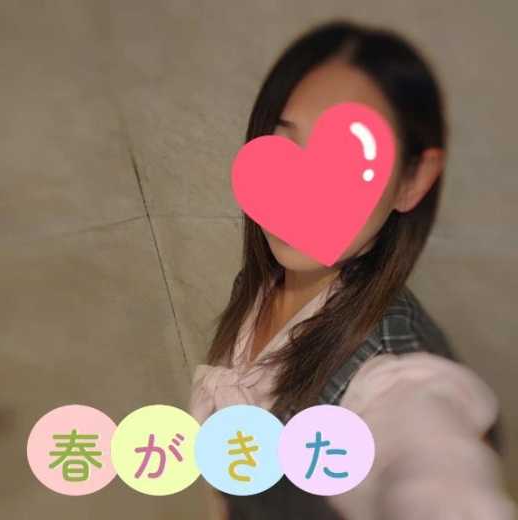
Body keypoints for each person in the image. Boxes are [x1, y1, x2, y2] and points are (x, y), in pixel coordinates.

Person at [189, 19, 517, 519]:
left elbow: (436, 468)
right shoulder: (266, 277)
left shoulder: (394, 376)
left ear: (413, 180)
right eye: (286, 145)